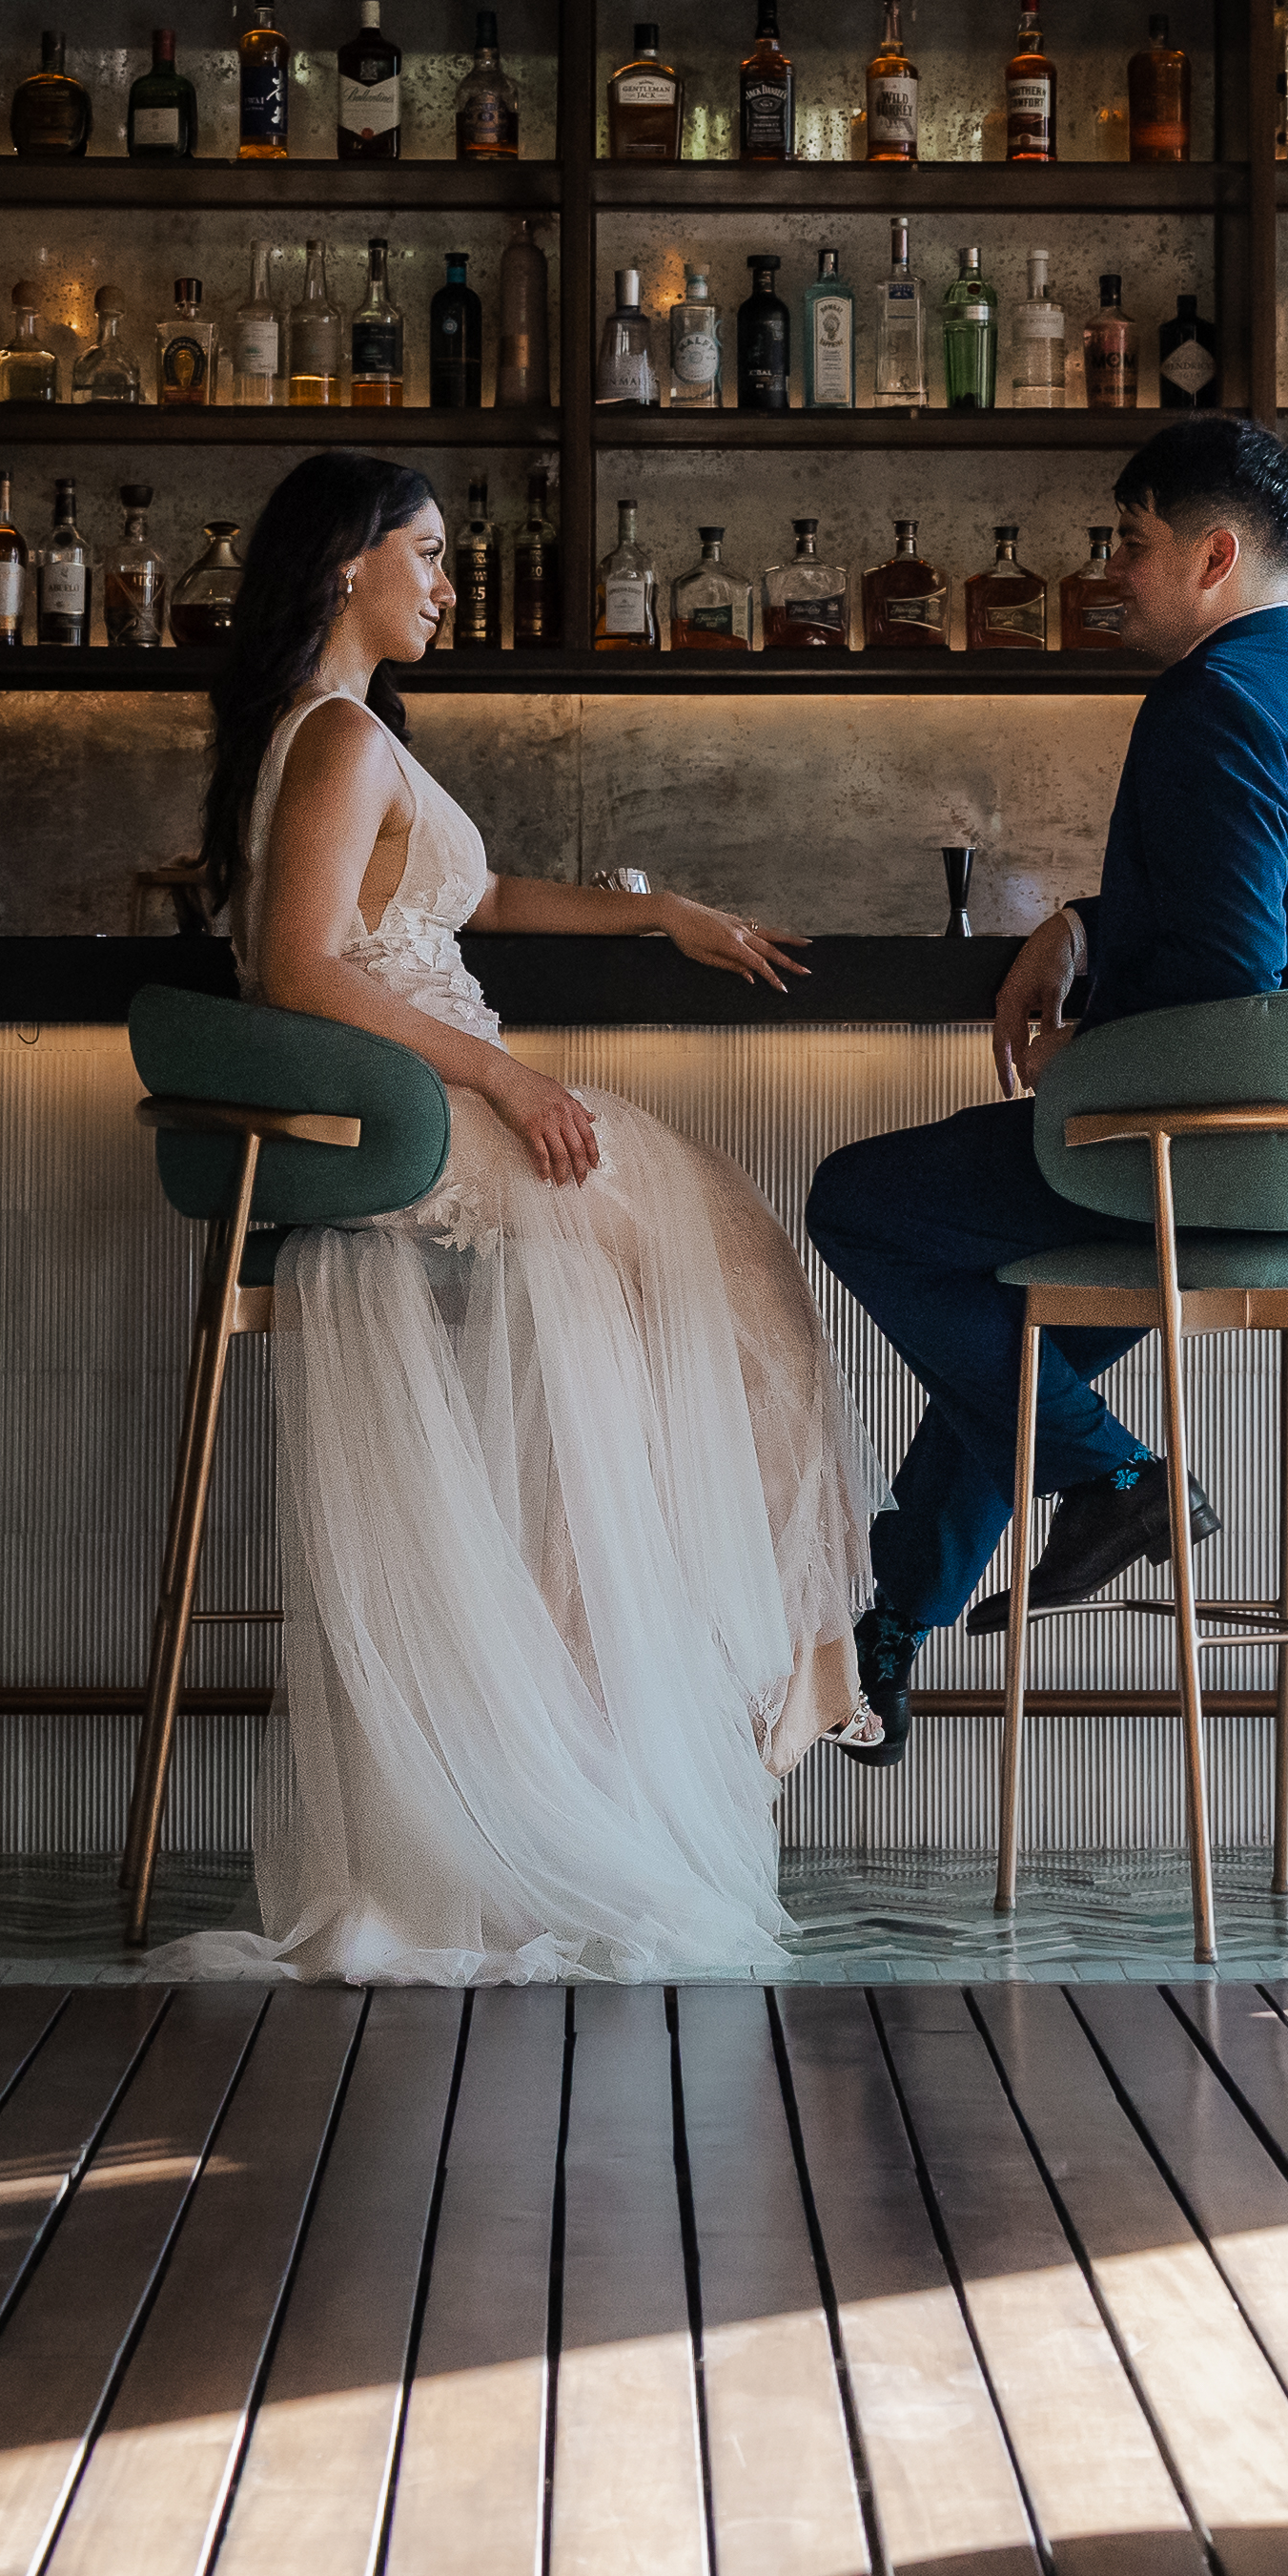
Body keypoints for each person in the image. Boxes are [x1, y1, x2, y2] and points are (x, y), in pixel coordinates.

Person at [171, 451, 870, 1979]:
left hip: (423, 1102)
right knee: (734, 1273)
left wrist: (657, 912)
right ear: (345, 562)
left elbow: (473, 903)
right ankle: (719, 1699)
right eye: (423, 554)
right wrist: (507, 1080)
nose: (444, 581)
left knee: (703, 1287)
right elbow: (301, 968)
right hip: (427, 1109)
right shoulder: (341, 736)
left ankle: (619, 1716)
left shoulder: (343, 739)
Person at [803, 415, 1288, 1762]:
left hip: (1240, 1143)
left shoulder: (1207, 699)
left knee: (856, 1200)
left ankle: (1119, 1482)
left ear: (1212, 555)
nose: (1110, 568)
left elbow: (1223, 977)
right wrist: (1085, 930)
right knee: (1024, 1347)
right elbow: (1283, 915)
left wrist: (1079, 1068)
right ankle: (894, 1634)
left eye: (1131, 542)